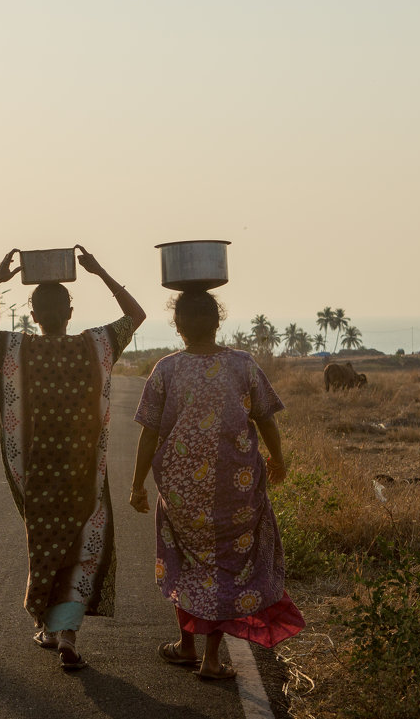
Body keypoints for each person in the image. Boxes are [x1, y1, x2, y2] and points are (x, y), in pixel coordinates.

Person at [0, 246, 146, 670]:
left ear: (34, 315)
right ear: (70, 311)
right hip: (84, 475)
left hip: (38, 477)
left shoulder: (15, 350)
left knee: (45, 549)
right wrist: (100, 271)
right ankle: (67, 634)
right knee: (82, 549)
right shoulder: (95, 345)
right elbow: (137, 315)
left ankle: (48, 623)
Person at [129, 289, 304, 680]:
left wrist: (137, 484)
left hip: (180, 495)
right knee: (226, 565)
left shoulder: (166, 370)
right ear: (218, 321)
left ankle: (186, 646)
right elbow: (266, 420)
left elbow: (149, 434)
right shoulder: (242, 365)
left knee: (189, 562)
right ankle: (209, 657)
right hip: (236, 491)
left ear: (178, 327)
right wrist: (279, 460)